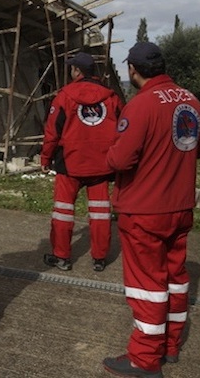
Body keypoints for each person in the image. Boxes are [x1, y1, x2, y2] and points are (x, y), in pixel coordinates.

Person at [100, 41, 200, 378]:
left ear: (133, 69)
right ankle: (170, 346)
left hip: (145, 210)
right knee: (175, 278)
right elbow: (197, 149)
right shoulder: (191, 101)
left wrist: (109, 154)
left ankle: (144, 360)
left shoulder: (141, 105)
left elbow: (120, 159)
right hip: (181, 206)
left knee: (147, 286)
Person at [40, 52, 123, 272]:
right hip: (101, 165)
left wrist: (46, 157)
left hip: (70, 164)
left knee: (63, 211)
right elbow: (122, 132)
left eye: (72, 68)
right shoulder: (111, 97)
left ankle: (62, 257)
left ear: (77, 71)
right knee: (100, 213)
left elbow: (52, 131)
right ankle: (99, 258)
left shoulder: (65, 96)